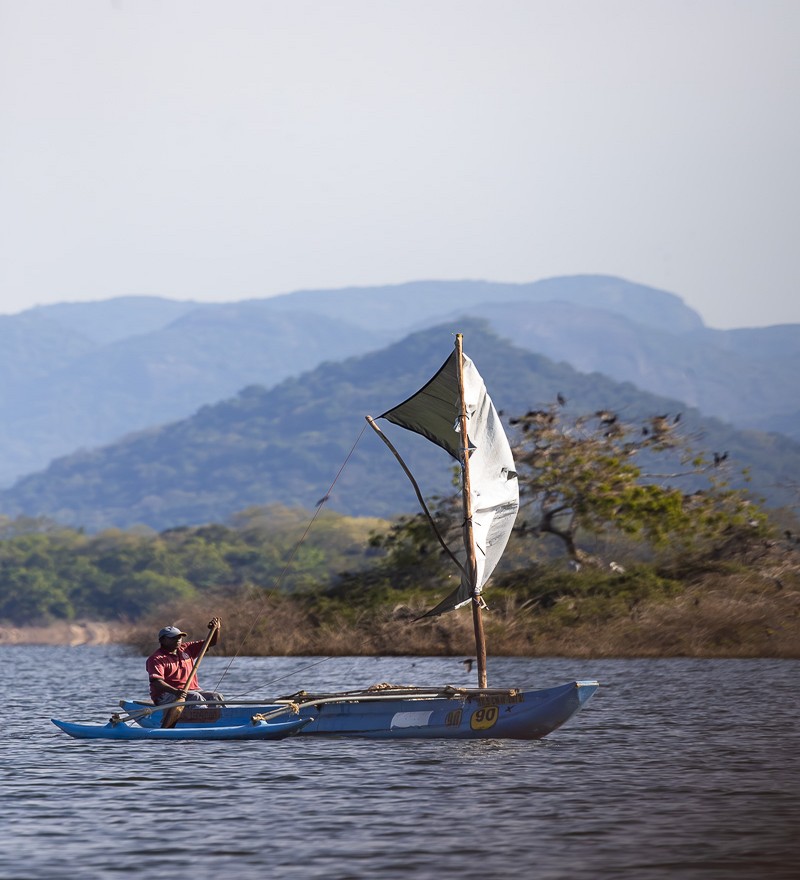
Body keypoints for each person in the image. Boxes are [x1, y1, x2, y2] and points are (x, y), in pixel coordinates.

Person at [146, 617, 224, 706]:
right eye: (173, 638)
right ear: (162, 640)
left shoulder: (187, 648)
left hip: (191, 690)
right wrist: (176, 692)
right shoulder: (156, 659)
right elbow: (157, 682)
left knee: (215, 696)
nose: (178, 640)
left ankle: (221, 718)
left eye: (179, 637)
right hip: (165, 695)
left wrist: (216, 629)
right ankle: (201, 717)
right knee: (195, 697)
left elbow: (211, 642)